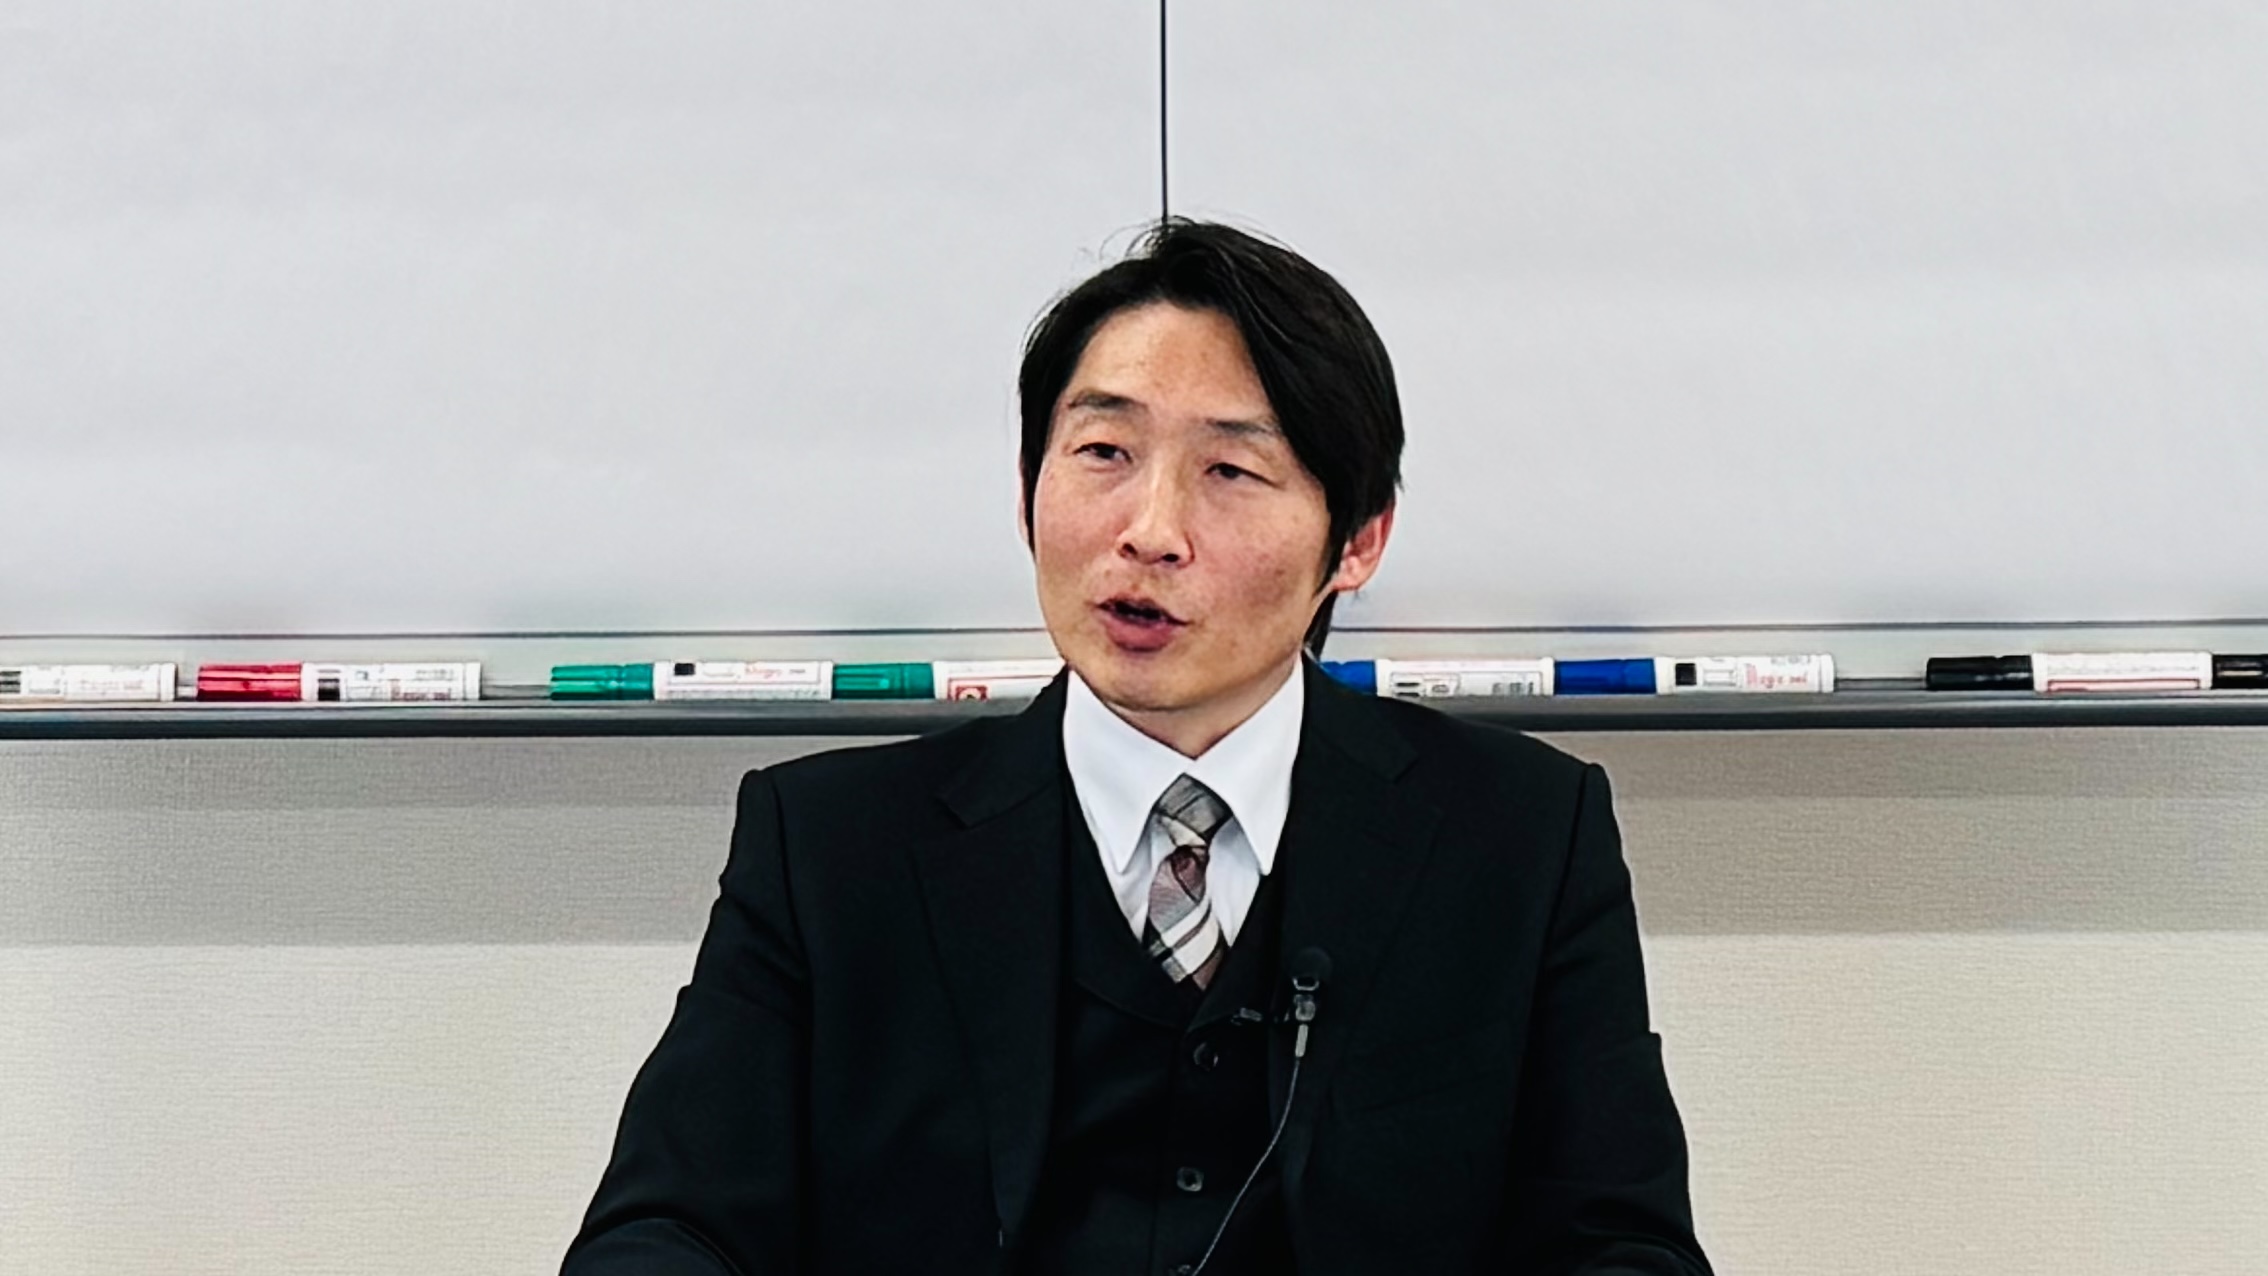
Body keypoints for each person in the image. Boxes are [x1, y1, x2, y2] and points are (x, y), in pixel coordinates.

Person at [563, 221, 1712, 1275]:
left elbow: (1620, 1244)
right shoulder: (831, 848)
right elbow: (666, 1229)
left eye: (1230, 470)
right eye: (1104, 451)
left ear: (1357, 540)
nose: (1149, 532)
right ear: (1028, 493)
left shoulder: (1519, 838)